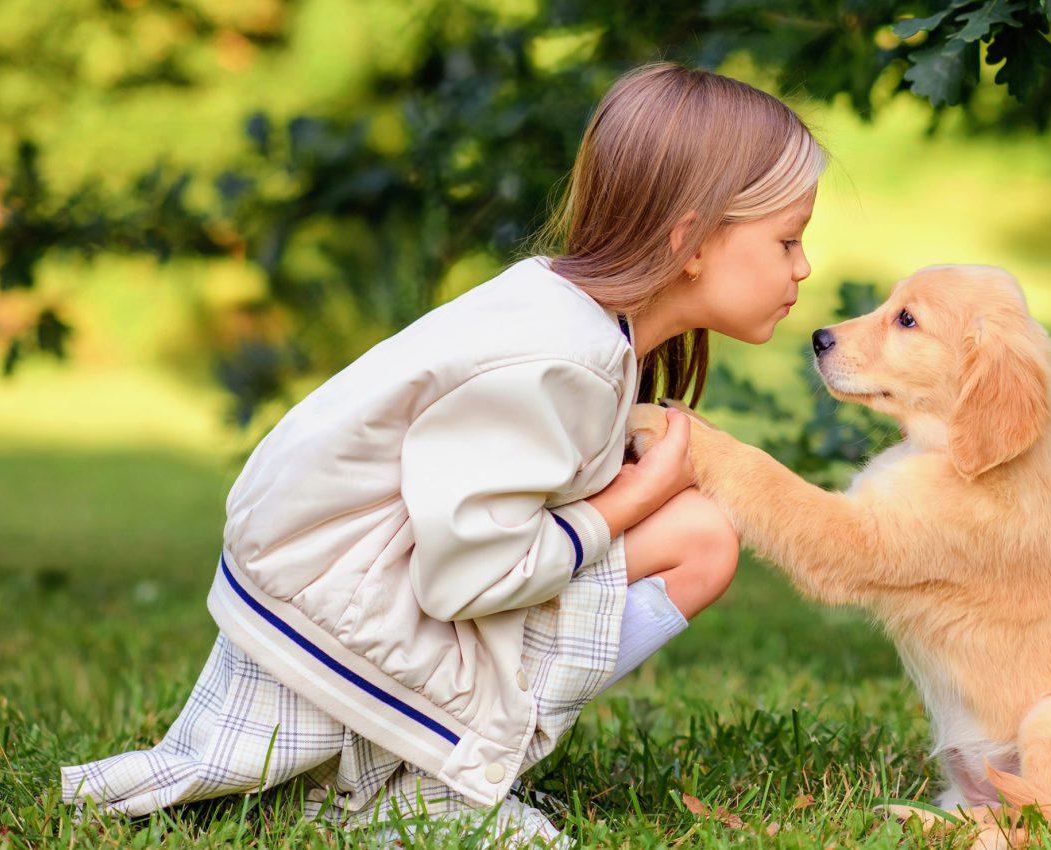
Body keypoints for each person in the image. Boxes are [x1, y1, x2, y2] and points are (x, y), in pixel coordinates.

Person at [60, 62, 823, 846]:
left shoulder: (574, 324)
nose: (803, 268)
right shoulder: (565, 358)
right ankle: (430, 782)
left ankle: (429, 761)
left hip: (339, 604)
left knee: (696, 531)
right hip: (324, 649)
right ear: (690, 241)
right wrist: (633, 496)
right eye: (788, 240)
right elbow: (469, 575)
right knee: (696, 536)